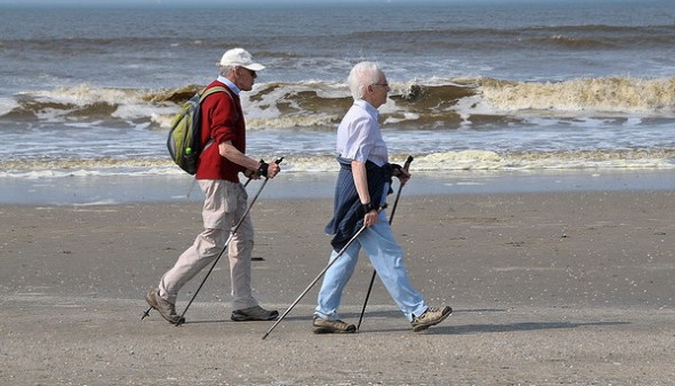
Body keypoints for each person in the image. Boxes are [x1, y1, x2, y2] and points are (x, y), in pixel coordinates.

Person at [313, 61, 452, 334]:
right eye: (385, 84)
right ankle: (417, 311)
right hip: (359, 195)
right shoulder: (363, 118)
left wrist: (392, 170)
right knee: (388, 254)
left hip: (356, 190)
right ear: (370, 89)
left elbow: (367, 160)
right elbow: (356, 163)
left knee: (344, 254)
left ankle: (325, 313)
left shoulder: (361, 114)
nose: (389, 89)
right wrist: (367, 206)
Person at [146, 48, 281, 324]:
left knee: (243, 238)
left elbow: (222, 148)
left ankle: (244, 304)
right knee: (212, 242)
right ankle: (164, 291)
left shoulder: (223, 93)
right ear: (236, 71)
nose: (255, 77)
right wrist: (260, 166)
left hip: (226, 176)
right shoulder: (221, 96)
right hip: (217, 177)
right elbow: (224, 149)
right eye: (251, 71)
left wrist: (245, 168)